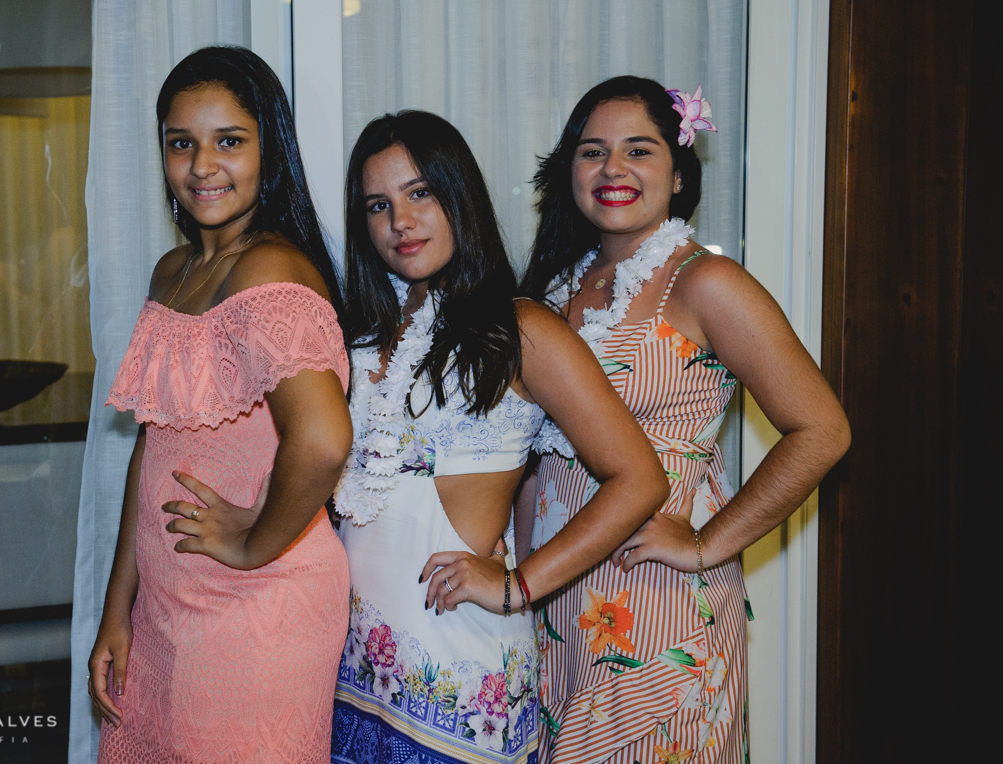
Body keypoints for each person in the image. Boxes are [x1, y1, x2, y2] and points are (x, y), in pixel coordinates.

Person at [518, 76, 851, 763]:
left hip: (657, 596)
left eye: (638, 150)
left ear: (678, 174)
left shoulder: (705, 283)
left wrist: (705, 544)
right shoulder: (554, 288)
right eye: (592, 152)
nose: (613, 168)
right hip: (560, 598)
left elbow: (822, 430)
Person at [330, 111, 668, 764]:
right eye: (378, 204)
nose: (401, 221)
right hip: (354, 677)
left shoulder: (522, 330)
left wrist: (520, 586)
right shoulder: (360, 335)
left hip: (461, 683)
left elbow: (639, 479)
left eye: (421, 192)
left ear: (460, 195)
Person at [87, 46, 354, 763]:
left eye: (229, 141)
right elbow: (153, 449)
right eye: (182, 144)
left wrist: (250, 543)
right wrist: (118, 609)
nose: (203, 166)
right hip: (166, 604)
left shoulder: (267, 270)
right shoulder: (174, 271)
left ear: (270, 150)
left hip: (256, 607)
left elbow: (324, 440)